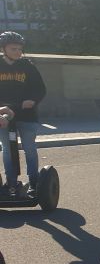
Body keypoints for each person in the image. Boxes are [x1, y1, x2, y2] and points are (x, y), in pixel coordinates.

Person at [0, 32, 47, 197]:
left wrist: (33, 100)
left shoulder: (28, 66)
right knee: (7, 150)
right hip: (4, 117)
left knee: (29, 149)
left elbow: (40, 89)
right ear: (4, 49)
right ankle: (11, 183)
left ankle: (34, 183)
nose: (18, 52)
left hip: (27, 116)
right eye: (14, 49)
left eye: (20, 49)